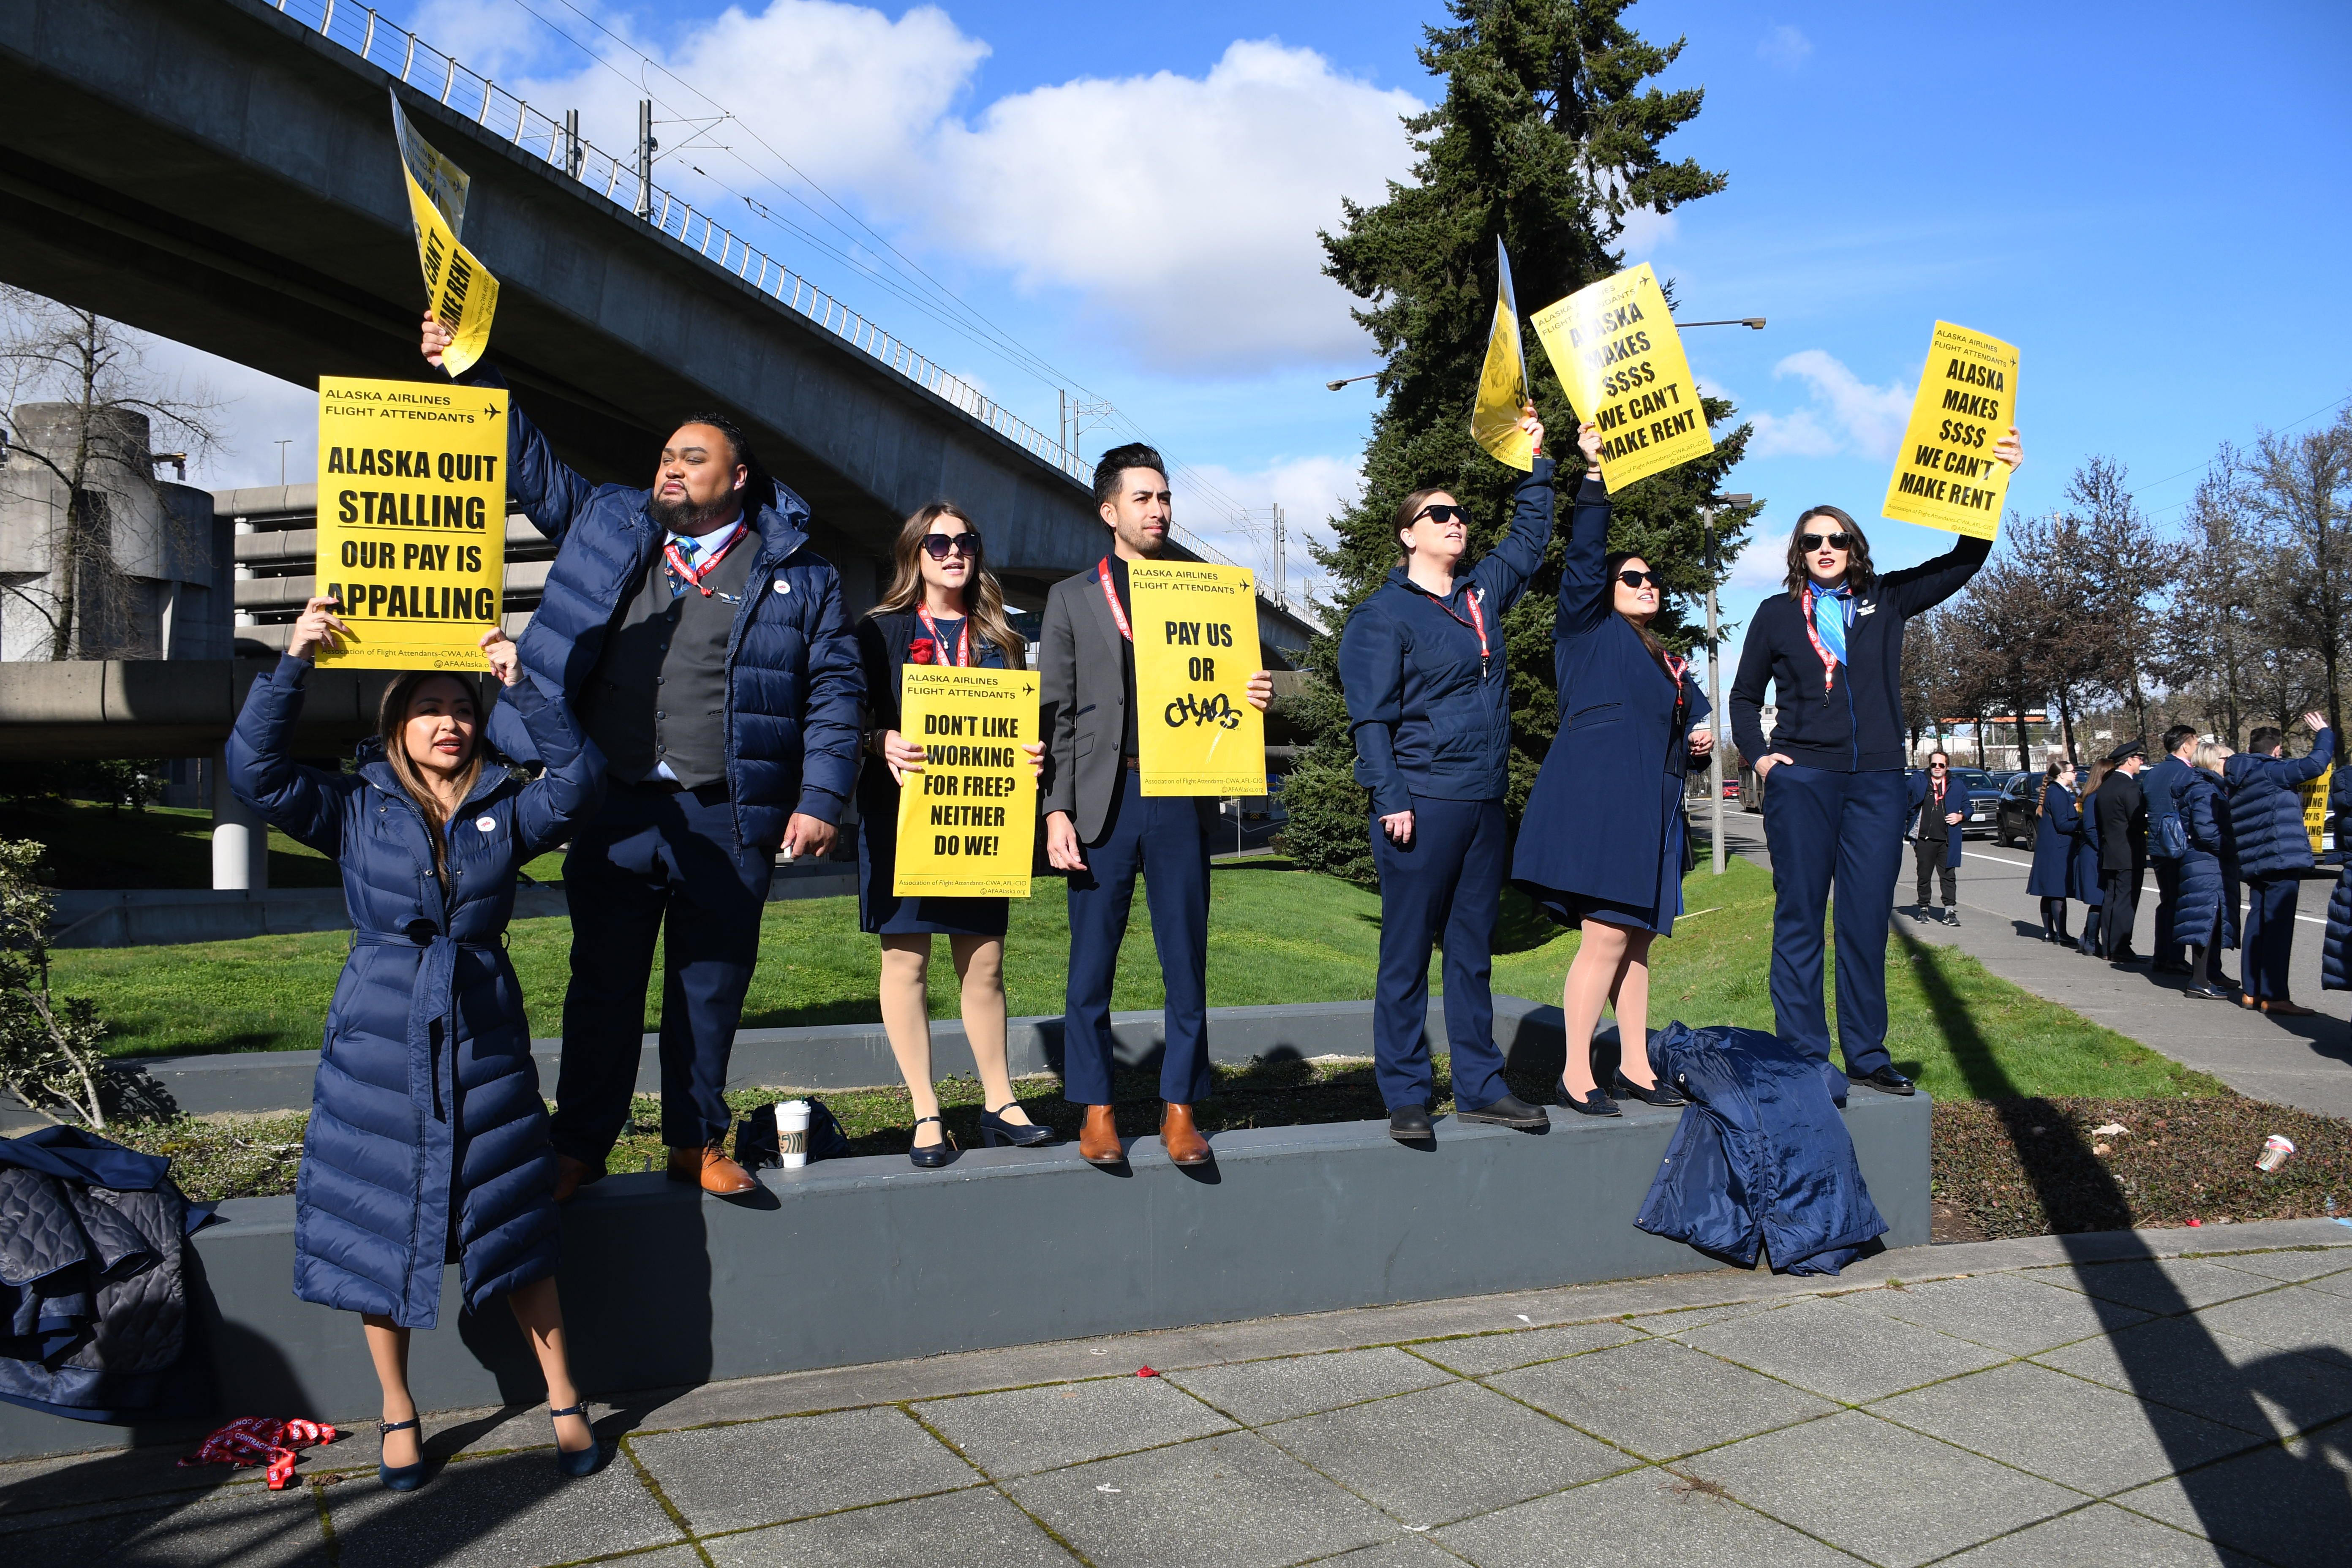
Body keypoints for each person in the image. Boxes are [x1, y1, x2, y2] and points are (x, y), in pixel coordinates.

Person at [420, 316, 863, 1201]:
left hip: (726, 812)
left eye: (691, 457)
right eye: (666, 454)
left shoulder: (801, 575)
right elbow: (531, 463)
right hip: (613, 801)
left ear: (737, 478)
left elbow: (835, 694)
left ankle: (695, 1142)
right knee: (604, 986)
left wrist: (819, 798)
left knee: (710, 986)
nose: (670, 466)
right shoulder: (610, 524)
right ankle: (579, 1142)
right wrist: (470, 369)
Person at [228, 598, 606, 1488]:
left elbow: (582, 784)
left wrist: (526, 685)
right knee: (376, 1222)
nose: (452, 722)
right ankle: (397, 1409)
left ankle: (562, 1394)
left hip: (484, 1036)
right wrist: (295, 665)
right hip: (379, 1040)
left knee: (513, 1216)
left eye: (465, 707)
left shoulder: (508, 805)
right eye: (431, 707)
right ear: (397, 722)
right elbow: (253, 771)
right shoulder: (353, 806)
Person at [1726, 428, 2023, 1096]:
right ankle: (1804, 1057)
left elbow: (1965, 559)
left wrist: (1996, 481)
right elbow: (1745, 699)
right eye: (1813, 541)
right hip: (1804, 782)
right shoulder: (1775, 615)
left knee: (1862, 922)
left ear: (1855, 549)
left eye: (1837, 540)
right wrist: (1769, 762)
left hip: (1878, 784)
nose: (1825, 549)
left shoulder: (1886, 600)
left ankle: (1866, 1054)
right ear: (1798, 554)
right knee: (1800, 918)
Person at [1038, 443, 1274, 1167]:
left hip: (1178, 798)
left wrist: (1252, 696)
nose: (1158, 510)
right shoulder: (1072, 597)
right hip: (1100, 802)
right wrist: (1055, 811)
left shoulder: (1204, 593)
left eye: (1164, 497)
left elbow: (1226, 688)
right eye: (1142, 498)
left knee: (1185, 961)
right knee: (1090, 968)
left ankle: (1180, 1109)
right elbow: (1057, 716)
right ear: (1109, 510)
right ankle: (1098, 1110)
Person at [1340, 407, 1562, 1141]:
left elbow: (1528, 542)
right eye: (1437, 514)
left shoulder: (1478, 596)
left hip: (1481, 803)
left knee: (1471, 955)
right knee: (1405, 953)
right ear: (1407, 534)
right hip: (1420, 803)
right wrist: (1390, 795)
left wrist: (1538, 462)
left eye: (1459, 514)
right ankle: (1405, 1093)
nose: (1454, 521)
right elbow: (1369, 715)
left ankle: (1478, 1085)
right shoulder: (1381, 616)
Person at [1512, 425, 1706, 1117]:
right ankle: (1573, 1072)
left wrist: (1697, 734)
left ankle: (1633, 1065)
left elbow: (1677, 728)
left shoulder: (1664, 659)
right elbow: (1586, 559)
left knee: (1638, 942)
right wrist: (1593, 477)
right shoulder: (1587, 629)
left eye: (1652, 579)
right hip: (1599, 809)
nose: (1645, 584)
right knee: (1604, 936)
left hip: (1651, 816)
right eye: (1633, 577)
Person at [855, 504, 1051, 1165]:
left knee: (986, 962)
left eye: (965, 541)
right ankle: (926, 1110)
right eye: (937, 542)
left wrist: (1032, 755)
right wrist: (880, 740)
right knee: (906, 963)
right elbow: (840, 717)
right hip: (903, 820)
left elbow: (1019, 724)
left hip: (980, 821)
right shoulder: (878, 632)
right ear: (915, 554)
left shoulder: (1001, 637)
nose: (952, 552)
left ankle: (999, 1100)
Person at [2224, 713, 2336, 1015]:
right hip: (2280, 856)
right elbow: (2316, 764)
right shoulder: (2273, 771)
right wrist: (2324, 733)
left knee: (2258, 923)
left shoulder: (2238, 776)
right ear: (2276, 750)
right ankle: (2274, 995)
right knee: (2278, 928)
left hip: (2255, 859)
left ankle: (2252, 990)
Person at [2176, 738, 2240, 999]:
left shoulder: (2206, 787)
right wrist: (2232, 847)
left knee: (2210, 922)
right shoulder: (2205, 790)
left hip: (2205, 862)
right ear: (2215, 762)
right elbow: (2206, 831)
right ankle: (2200, 981)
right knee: (2206, 923)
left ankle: (2207, 976)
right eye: (2227, 760)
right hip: (2207, 863)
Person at [2141, 723, 2201, 974]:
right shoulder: (2185, 773)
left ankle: (2163, 955)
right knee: (2179, 903)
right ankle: (2173, 957)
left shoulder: (2154, 773)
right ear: (2186, 746)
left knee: (2168, 902)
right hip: (2179, 844)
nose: (2198, 749)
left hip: (2158, 845)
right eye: (2197, 744)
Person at [2095, 740, 2150, 964]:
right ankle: (2121, 948)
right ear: (2129, 760)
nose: (2141, 762)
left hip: (2110, 850)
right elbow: (2137, 822)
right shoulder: (2129, 787)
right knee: (2126, 902)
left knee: (2111, 899)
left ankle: (2108, 945)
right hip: (2129, 852)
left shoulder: (2105, 786)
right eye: (2139, 758)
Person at [2024, 759, 2083, 944]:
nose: (2076, 775)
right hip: (2058, 849)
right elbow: (2063, 825)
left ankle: (2050, 932)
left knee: (2049, 892)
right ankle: (2061, 934)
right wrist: (2084, 822)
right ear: (2062, 774)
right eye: (2073, 771)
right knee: (2057, 892)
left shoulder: (2054, 792)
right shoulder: (2057, 794)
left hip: (2050, 848)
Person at [1906, 750, 1964, 926]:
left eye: (1941, 765)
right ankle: (1924, 908)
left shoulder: (1957, 785)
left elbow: (1968, 807)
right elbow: (1900, 793)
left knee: (1948, 877)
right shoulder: (1919, 781)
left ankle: (1949, 911)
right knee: (1924, 875)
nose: (1937, 768)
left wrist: (1961, 817)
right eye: (1934, 765)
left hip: (1947, 840)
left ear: (1947, 767)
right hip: (1924, 839)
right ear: (1929, 765)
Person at [2072, 759, 2111, 956]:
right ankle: (2090, 941)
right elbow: (2090, 829)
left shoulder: (2094, 796)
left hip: (2096, 852)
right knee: (2099, 899)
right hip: (2094, 855)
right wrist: (2104, 849)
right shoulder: (2095, 797)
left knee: (2101, 900)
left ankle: (2087, 937)